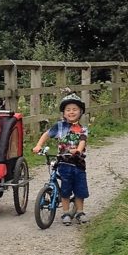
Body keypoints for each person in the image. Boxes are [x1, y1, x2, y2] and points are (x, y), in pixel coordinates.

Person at [32, 93, 89, 225]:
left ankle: (80, 212)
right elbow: (46, 135)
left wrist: (78, 150)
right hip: (64, 163)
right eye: (68, 110)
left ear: (80, 112)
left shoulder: (82, 129)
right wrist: (39, 145)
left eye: (75, 109)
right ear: (63, 113)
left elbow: (82, 141)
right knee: (65, 189)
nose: (71, 112)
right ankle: (66, 213)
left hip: (78, 163)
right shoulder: (59, 126)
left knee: (80, 189)